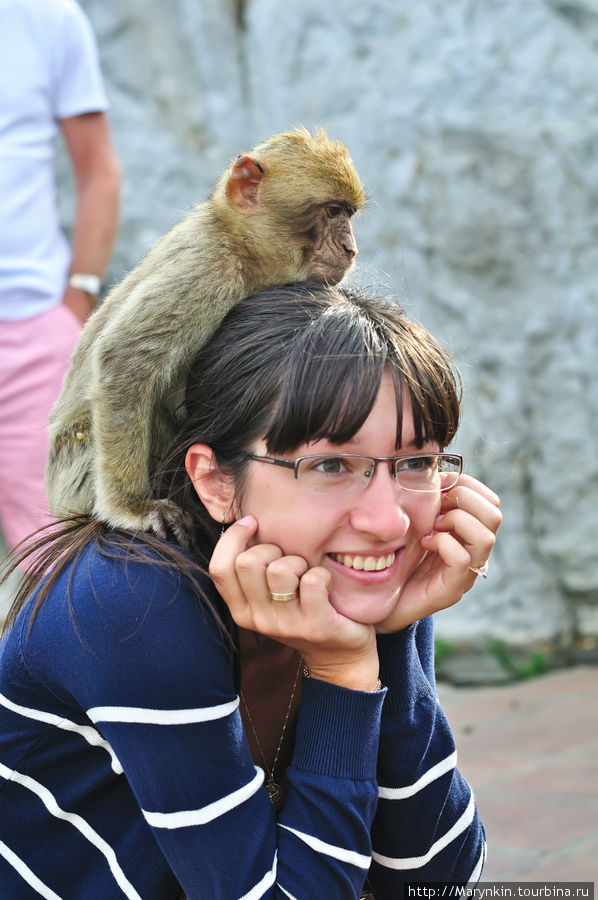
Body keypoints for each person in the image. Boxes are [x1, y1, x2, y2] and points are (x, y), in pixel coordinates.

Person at [0, 283, 502, 898]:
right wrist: (345, 672)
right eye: (330, 466)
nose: (389, 521)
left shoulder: (357, 574)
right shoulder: (131, 604)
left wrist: (384, 635)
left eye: (416, 463)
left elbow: (439, 880)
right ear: (213, 481)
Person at [0, 0, 121, 550]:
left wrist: (76, 302)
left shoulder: (48, 18)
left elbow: (98, 169)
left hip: (31, 332)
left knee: (55, 552)